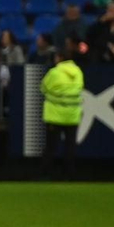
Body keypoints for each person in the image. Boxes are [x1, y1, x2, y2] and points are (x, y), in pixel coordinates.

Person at [41, 38, 83, 180]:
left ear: (59, 58)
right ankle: (69, 175)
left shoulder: (54, 72)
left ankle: (46, 175)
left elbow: (44, 87)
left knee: (51, 147)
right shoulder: (78, 72)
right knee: (70, 147)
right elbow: (79, 88)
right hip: (72, 115)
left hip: (55, 115)